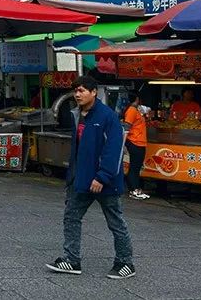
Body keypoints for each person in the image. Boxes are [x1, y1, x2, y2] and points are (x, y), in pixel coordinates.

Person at [47, 75, 134, 279]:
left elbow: (114, 150)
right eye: (75, 90)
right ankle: (71, 260)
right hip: (82, 178)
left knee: (115, 222)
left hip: (105, 181)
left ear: (94, 92)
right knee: (71, 217)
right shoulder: (78, 114)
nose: (77, 94)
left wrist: (102, 176)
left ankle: (126, 262)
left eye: (82, 90)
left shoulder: (107, 117)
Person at [123, 92, 149, 201]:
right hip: (134, 142)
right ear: (137, 98)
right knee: (134, 167)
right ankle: (133, 190)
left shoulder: (136, 110)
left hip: (139, 142)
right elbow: (126, 127)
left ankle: (136, 189)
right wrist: (123, 144)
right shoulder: (132, 110)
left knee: (136, 167)